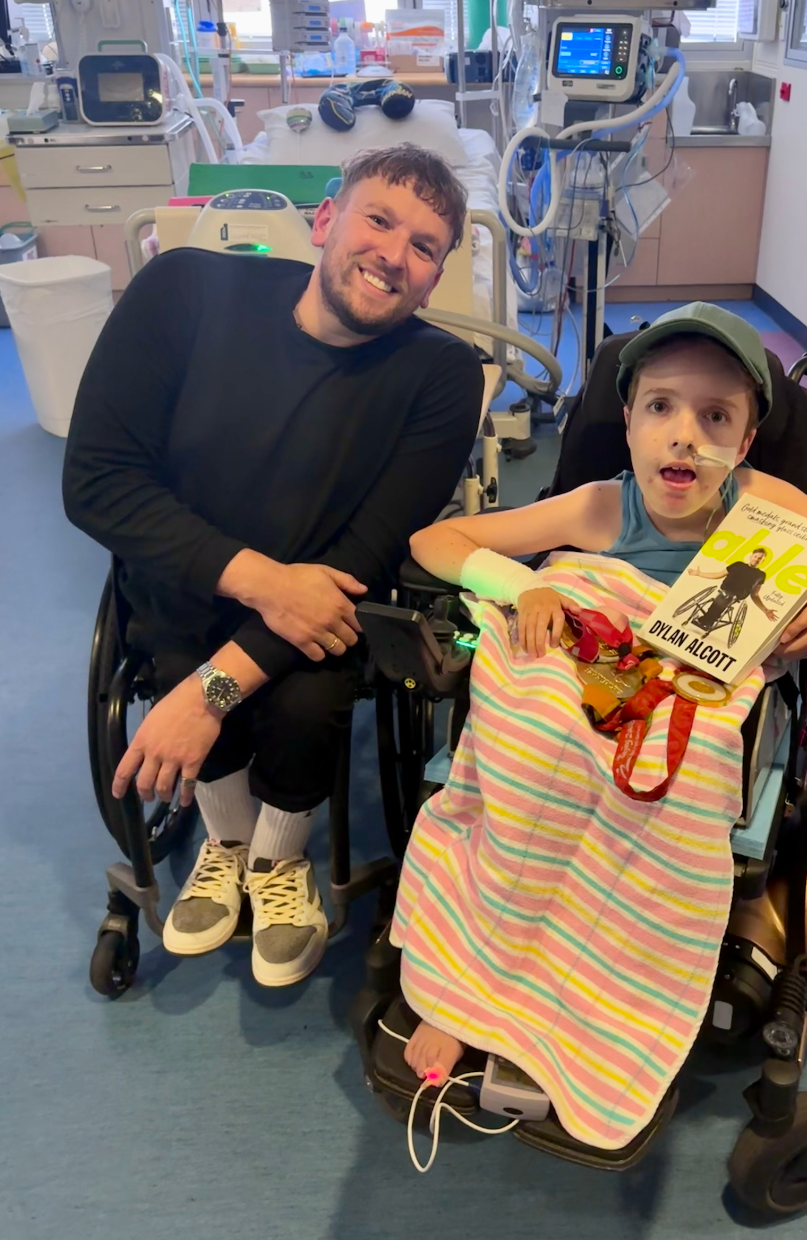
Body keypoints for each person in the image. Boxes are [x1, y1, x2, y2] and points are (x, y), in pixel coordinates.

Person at [397, 300, 807, 1082]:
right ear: (627, 420)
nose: (684, 436)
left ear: (747, 440)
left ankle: (602, 992)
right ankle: (476, 986)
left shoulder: (770, 511)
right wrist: (524, 584)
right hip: (592, 670)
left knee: (673, 772)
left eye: (715, 416)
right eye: (660, 407)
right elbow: (437, 541)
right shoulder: (602, 506)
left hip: (692, 695)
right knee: (530, 741)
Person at [63, 144, 484, 987]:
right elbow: (97, 483)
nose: (395, 255)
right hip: (194, 586)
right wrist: (265, 583)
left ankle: (276, 858)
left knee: (309, 694)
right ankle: (225, 837)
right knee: (178, 638)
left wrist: (208, 695)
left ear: (434, 280)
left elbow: (365, 558)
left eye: (426, 247)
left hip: (326, 609)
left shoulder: (440, 376)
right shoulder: (183, 291)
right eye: (379, 219)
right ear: (325, 221)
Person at [684, 546, 778, 629]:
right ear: (751, 556)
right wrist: (699, 574)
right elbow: (718, 574)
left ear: (763, 561)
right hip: (725, 590)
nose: (756, 559)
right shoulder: (738, 565)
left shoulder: (761, 575)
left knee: (728, 597)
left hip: (736, 596)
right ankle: (706, 621)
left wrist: (765, 610)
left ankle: (707, 621)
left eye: (760, 558)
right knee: (725, 596)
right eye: (755, 556)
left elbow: (755, 594)